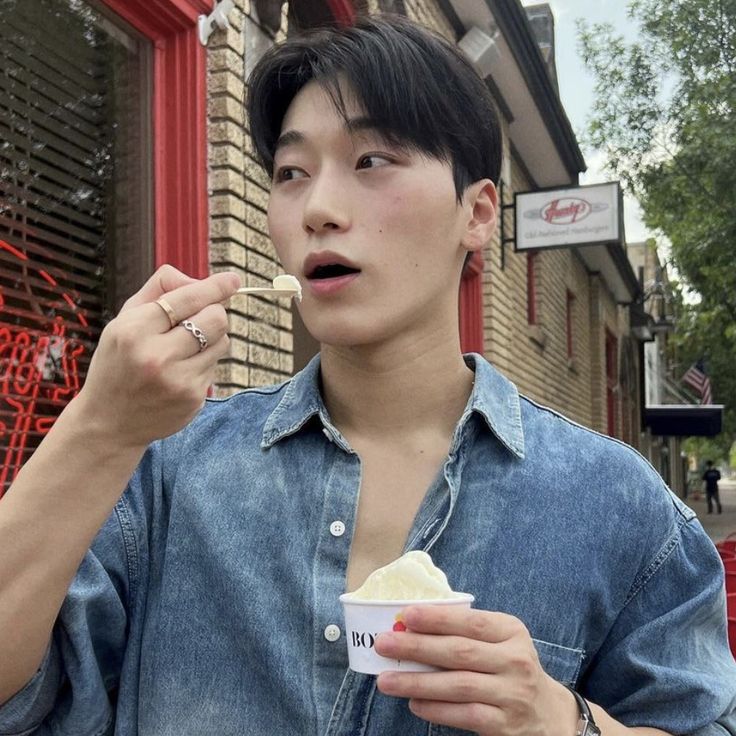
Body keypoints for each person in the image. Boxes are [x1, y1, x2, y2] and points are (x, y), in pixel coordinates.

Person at [1, 14, 735, 736]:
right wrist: (101, 424)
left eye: (371, 161)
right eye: (290, 173)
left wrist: (559, 721)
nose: (317, 208)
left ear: (477, 214)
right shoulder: (164, 471)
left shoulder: (617, 506)